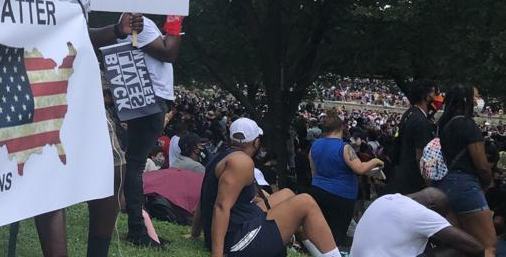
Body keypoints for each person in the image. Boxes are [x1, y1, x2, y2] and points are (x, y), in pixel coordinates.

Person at [11, 0, 151, 254]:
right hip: (42, 86)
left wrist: (117, 30)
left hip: (82, 87)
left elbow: (81, 35)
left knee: (113, 172)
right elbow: (6, 23)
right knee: (52, 181)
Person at [190, 118, 343, 257]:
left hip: (237, 225)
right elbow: (221, 206)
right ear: (256, 142)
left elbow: (204, 196)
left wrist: (195, 233)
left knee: (287, 194)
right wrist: (217, 254)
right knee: (306, 202)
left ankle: (317, 252)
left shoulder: (219, 157)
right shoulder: (241, 162)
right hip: (236, 240)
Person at [116, 14, 181, 245]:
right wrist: (175, 21)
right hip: (149, 98)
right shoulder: (136, 20)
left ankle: (139, 225)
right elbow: (168, 51)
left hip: (146, 98)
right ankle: (137, 229)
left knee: (135, 162)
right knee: (135, 164)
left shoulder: (138, 22)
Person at [436, 84, 496, 256]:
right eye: (476, 96)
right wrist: (487, 184)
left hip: (446, 185)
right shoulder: (468, 125)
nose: (479, 100)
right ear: (466, 99)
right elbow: (482, 166)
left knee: (462, 245)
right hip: (466, 186)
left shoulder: (444, 124)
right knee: (488, 246)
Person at [309, 110, 384, 247]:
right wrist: (375, 161)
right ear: (341, 128)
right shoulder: (345, 148)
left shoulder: (314, 145)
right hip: (341, 196)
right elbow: (360, 168)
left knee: (321, 231)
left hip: (317, 190)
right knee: (336, 235)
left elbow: (313, 171)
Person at [350, 188, 483, 257]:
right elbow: (476, 248)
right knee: (457, 250)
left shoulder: (386, 198)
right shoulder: (421, 213)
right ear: (432, 207)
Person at [391, 80, 437, 195]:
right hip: (415, 182)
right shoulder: (421, 121)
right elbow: (420, 156)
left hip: (403, 174)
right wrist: (430, 184)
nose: (437, 98)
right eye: (435, 94)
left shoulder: (409, 114)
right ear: (427, 97)